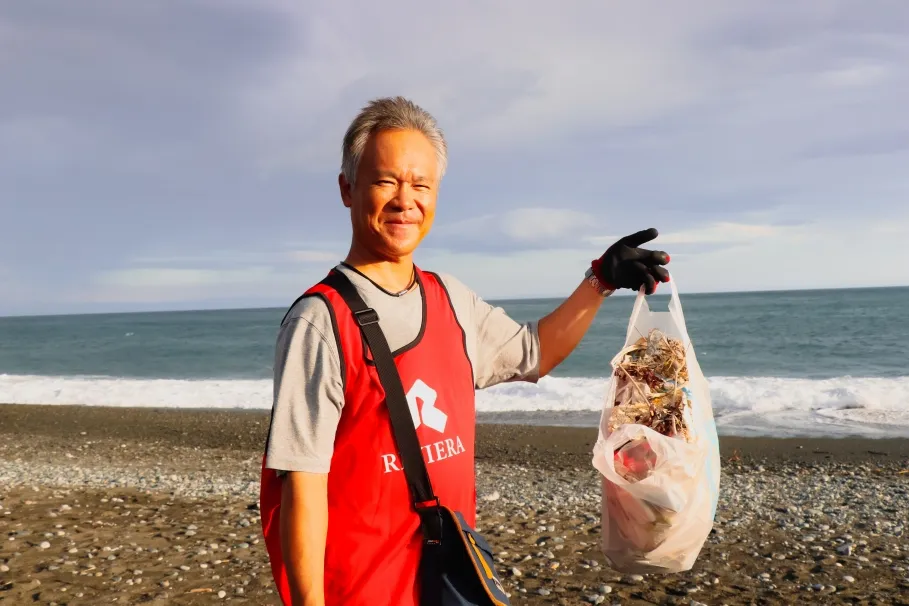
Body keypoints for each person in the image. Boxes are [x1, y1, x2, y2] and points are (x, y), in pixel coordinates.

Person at [259, 96, 671, 606]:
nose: (404, 200)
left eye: (421, 184)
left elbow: (535, 351)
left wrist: (600, 280)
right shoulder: (320, 322)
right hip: (363, 589)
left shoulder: (450, 299)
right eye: (385, 181)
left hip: (447, 580)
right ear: (348, 189)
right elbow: (302, 484)